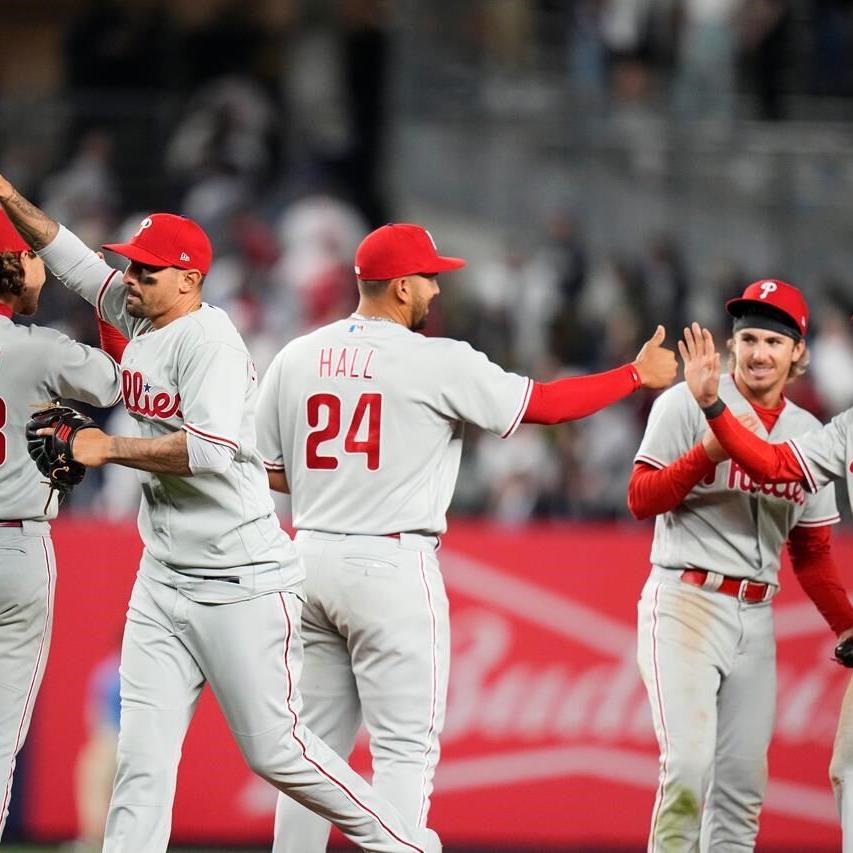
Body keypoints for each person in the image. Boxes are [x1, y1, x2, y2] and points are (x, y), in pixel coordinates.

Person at [0, 177, 442, 853]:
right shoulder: (145, 309)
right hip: (163, 579)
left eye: (146, 269)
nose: (130, 276)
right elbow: (70, 256)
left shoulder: (212, 341)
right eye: (131, 264)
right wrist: (9, 197)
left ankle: (406, 843)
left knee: (279, 752)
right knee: (139, 765)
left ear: (189, 278)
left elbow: (208, 450)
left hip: (240, 580)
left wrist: (106, 445)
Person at [253, 221, 679, 851]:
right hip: (389, 564)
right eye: (428, 278)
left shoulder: (296, 355)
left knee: (313, 757)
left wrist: (337, 486)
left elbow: (270, 469)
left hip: (307, 556)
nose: (436, 290)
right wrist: (634, 377)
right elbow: (545, 406)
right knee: (403, 755)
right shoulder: (437, 360)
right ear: (399, 287)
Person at [631, 278, 853, 851]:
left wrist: (846, 623)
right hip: (685, 600)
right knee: (686, 767)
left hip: (755, 618)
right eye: (748, 338)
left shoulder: (808, 434)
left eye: (773, 342)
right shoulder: (685, 401)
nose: (758, 353)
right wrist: (703, 453)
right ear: (732, 346)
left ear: (798, 352)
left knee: (741, 788)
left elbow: (811, 554)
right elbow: (641, 498)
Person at [0, 210, 122, 838]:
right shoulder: (40, 349)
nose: (41, 264)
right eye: (33, 256)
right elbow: (121, 380)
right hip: (17, 543)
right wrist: (101, 294)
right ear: (15, 267)